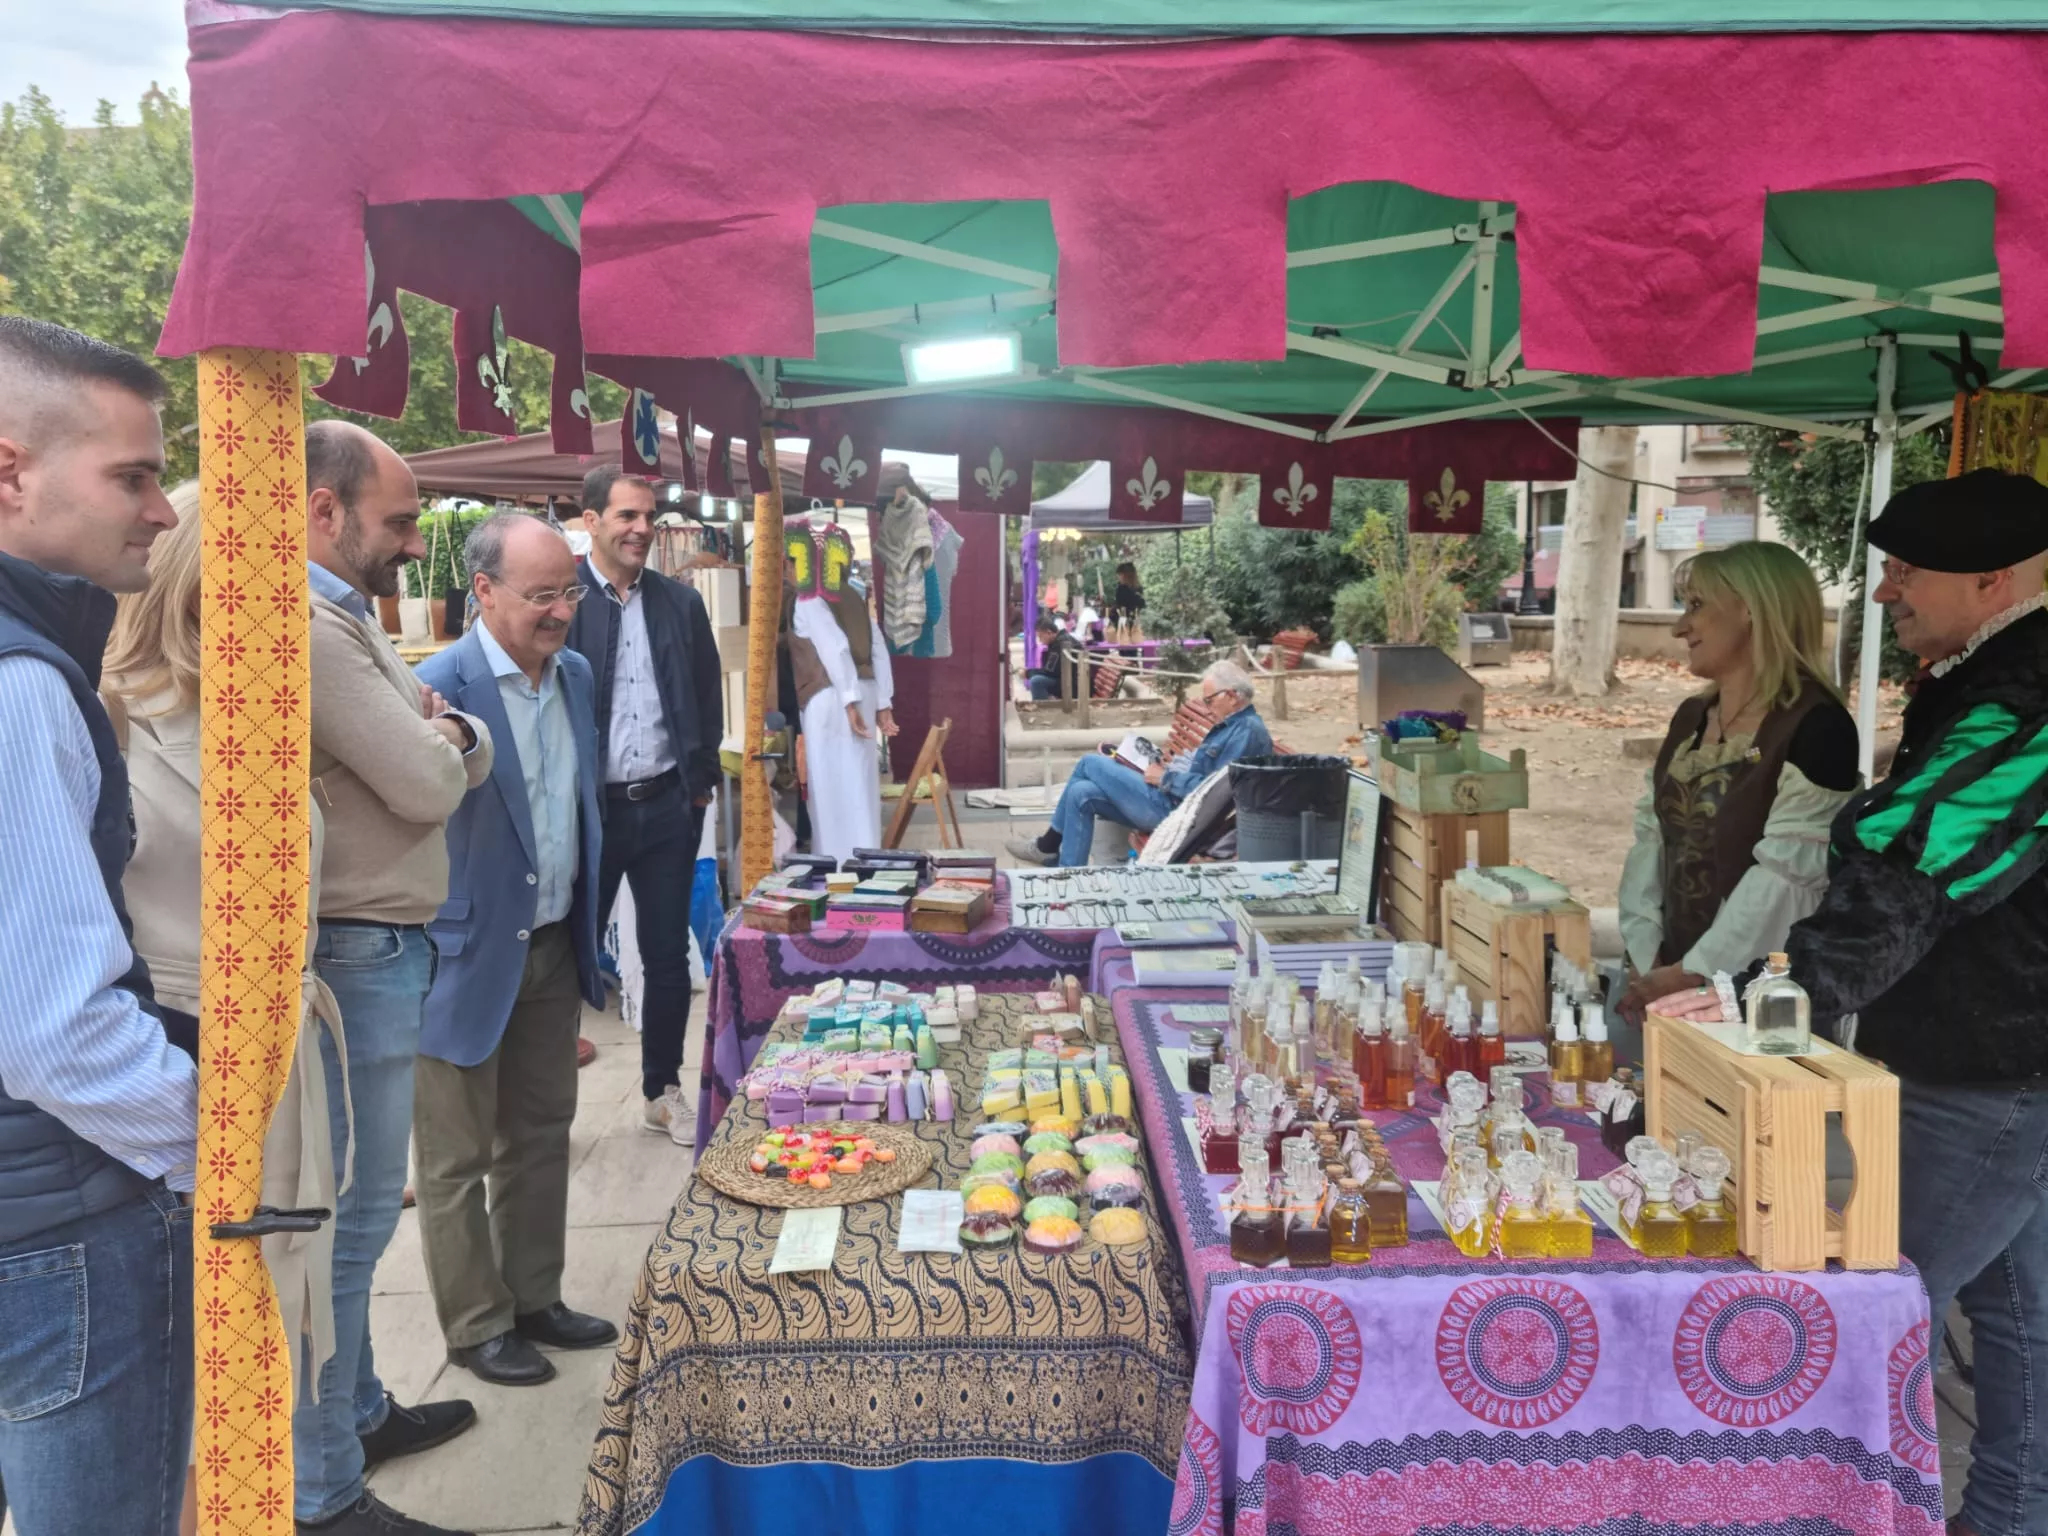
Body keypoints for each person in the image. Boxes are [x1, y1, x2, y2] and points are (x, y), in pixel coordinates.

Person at [1652, 468, 2048, 1536]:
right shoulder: (1986, 674)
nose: (1883, 593)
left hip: (1989, 1063)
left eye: (1905, 571)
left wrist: (1769, 998)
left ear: (1994, 578)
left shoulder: (2026, 692)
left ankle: (1822, 1512)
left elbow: (1913, 868)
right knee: (2015, 1318)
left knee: (1859, 1312)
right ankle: (2005, 1518)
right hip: (1983, 1049)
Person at [101, 482, 349, 1536]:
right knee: (190, 1386)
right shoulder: (96, 713)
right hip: (172, 1069)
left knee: (269, 1349)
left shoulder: (260, 715)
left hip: (277, 1060)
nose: (286, 601)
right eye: (262, 577)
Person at [0, 317, 194, 1536]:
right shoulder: (21, 685)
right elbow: (57, 1030)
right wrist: (208, 1147)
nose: (163, 511)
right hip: (61, 1221)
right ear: (10, 472)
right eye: (132, 475)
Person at [301, 419, 491, 1536]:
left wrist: (443, 732)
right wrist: (454, 735)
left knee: (360, 1215)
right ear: (326, 510)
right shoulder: (311, 627)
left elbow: (436, 748)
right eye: (403, 518)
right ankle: (322, 1490)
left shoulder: (339, 618)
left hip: (378, 946)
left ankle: (361, 1410)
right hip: (358, 950)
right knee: (350, 1224)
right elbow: (426, 781)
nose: (417, 542)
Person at [413, 514, 614, 1388]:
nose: (560, 611)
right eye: (540, 595)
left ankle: (535, 1297)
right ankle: (477, 1325)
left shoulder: (572, 674)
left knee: (539, 1134)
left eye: (568, 591)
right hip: (460, 954)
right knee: (455, 1159)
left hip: (555, 941)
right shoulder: (433, 684)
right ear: (482, 591)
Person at [1614, 542, 1858, 1023]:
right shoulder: (1691, 718)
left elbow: (1785, 881)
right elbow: (1652, 842)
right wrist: (1651, 960)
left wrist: (1694, 972)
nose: (1680, 627)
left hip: (1757, 996)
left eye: (1697, 605)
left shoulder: (1817, 726)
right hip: (1671, 978)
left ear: (1750, 610)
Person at [566, 467, 723, 1142]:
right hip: (588, 813)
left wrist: (698, 784)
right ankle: (546, 1105)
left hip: (665, 805)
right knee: (565, 956)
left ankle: (663, 1089)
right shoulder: (562, 599)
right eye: (626, 515)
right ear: (591, 520)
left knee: (666, 956)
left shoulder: (678, 603)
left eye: (648, 516)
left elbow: (705, 694)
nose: (640, 528)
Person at [1008, 659, 1272, 867]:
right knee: (1081, 793)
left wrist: (1165, 778)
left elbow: (1213, 793)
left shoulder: (1246, 733)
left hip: (1176, 814)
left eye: (1210, 699)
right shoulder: (1234, 726)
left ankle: (1047, 846)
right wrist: (1165, 768)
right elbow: (1207, 777)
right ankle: (1069, 878)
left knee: (1089, 763)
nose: (1206, 706)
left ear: (1234, 695)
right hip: (1173, 801)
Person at [782, 519, 898, 860]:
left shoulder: (808, 598)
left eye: (789, 562)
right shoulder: (851, 594)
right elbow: (877, 648)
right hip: (860, 693)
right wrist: (883, 701)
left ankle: (840, 867)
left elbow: (835, 649)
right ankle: (866, 860)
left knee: (833, 788)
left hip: (832, 699)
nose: (786, 570)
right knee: (859, 785)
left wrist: (848, 699)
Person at [1025, 615, 1079, 701]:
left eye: (1040, 637)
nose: (1040, 641)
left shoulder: (1060, 643)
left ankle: (1043, 710)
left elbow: (1050, 672)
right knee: (1038, 679)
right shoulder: (1059, 640)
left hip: (1075, 686)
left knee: (1037, 682)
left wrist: (1027, 673)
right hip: (1068, 680)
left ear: (1049, 633)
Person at [1110, 560, 1145, 626]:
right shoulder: (1138, 589)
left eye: (1119, 575)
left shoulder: (1122, 589)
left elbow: (1120, 605)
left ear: (1125, 575)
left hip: (1123, 622)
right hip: (1133, 621)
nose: (1118, 577)